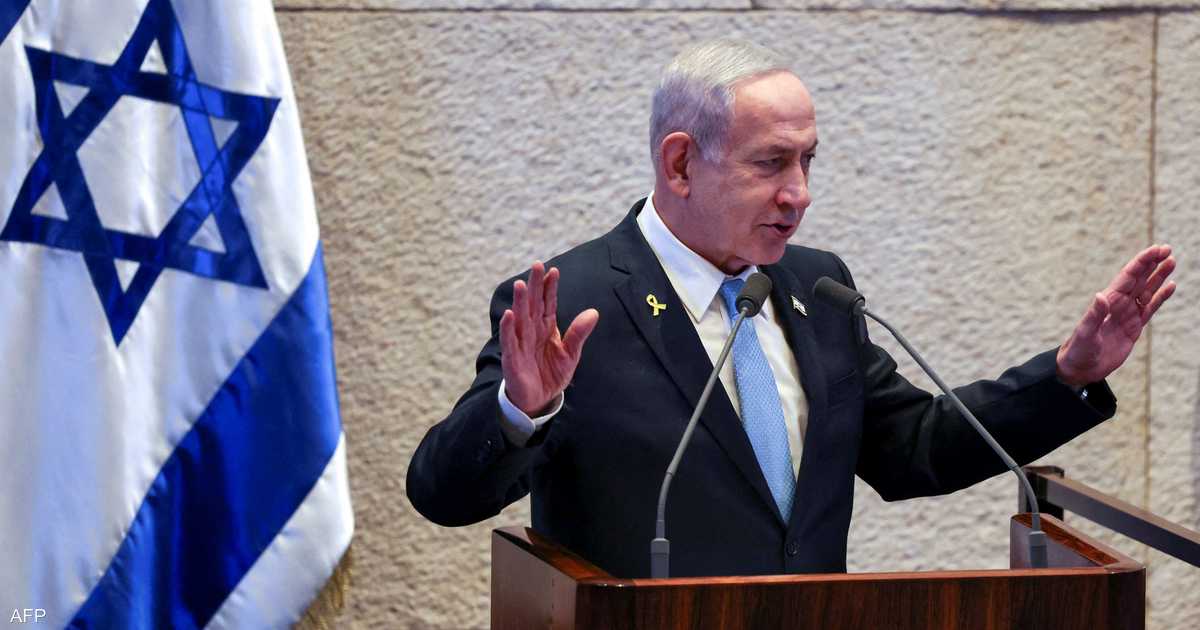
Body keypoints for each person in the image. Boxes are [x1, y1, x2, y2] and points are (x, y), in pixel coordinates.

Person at [406, 39, 1177, 579]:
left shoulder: (816, 288)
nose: (799, 193)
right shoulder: (570, 304)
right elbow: (441, 493)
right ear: (681, 162)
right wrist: (520, 412)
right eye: (772, 163)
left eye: (808, 160)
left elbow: (913, 448)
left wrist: (1067, 375)